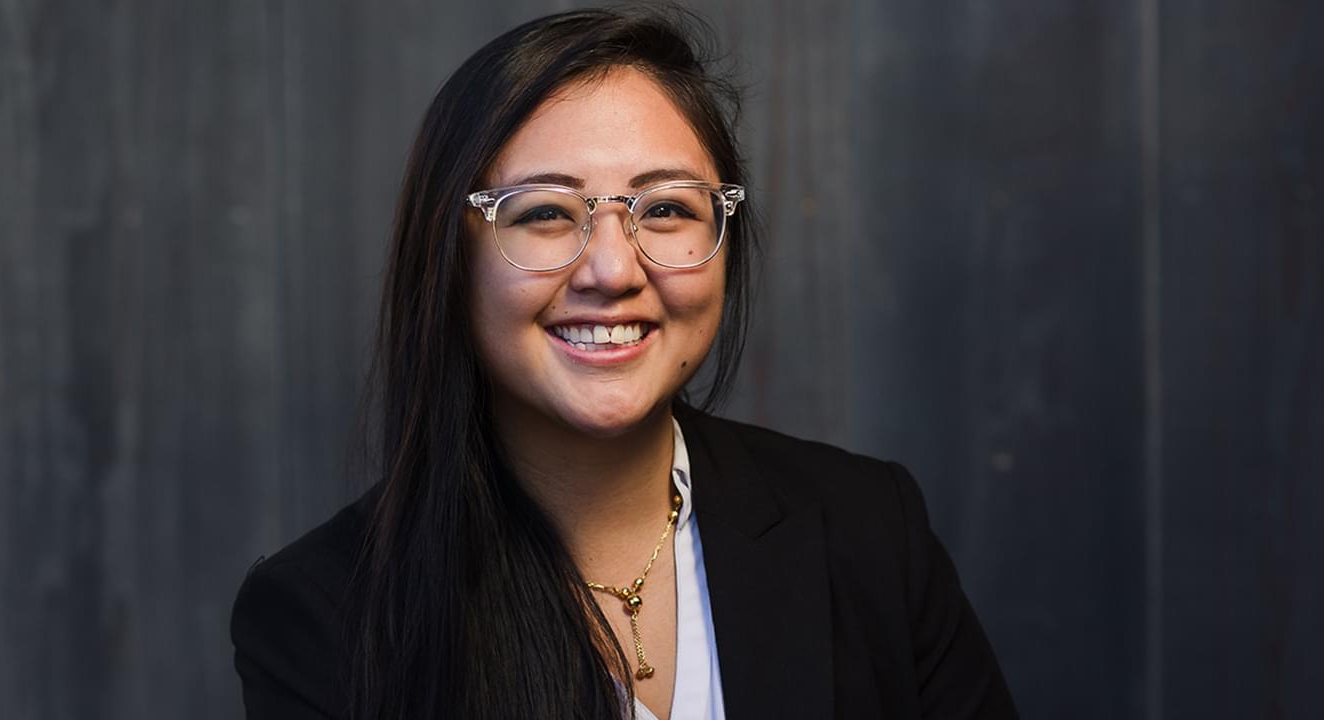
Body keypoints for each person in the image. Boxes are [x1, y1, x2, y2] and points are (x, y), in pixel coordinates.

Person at [230, 6, 1017, 719]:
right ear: (449, 260)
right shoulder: (323, 615)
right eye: (544, 213)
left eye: (667, 208)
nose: (612, 270)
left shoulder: (869, 529)